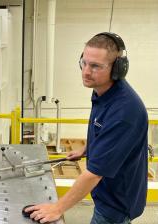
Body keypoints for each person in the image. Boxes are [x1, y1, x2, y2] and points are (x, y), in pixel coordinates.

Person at [25, 32, 148, 224]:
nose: (86, 72)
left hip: (116, 203)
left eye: (96, 66)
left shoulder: (124, 111)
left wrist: (57, 208)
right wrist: (88, 148)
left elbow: (93, 174)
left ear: (117, 69)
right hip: (106, 191)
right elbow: (101, 129)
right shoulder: (102, 92)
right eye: (84, 62)